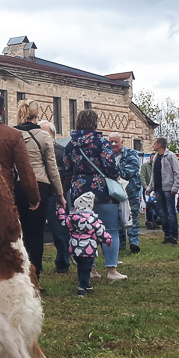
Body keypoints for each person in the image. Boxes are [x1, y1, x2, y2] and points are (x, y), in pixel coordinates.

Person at [63, 108, 126, 281]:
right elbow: (111, 167)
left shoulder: (70, 144)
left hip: (79, 190)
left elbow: (67, 169)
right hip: (102, 190)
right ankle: (112, 270)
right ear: (95, 123)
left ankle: (91, 269)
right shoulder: (102, 142)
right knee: (110, 228)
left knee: (84, 231)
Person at [6, 97, 50, 275]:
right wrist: (60, 193)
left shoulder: (12, 133)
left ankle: (20, 269)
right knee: (37, 232)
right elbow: (52, 167)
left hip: (17, 184)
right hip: (40, 184)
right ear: (36, 114)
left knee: (20, 229)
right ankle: (36, 272)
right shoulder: (44, 136)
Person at [56, 192, 113, 296]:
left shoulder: (71, 218)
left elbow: (62, 221)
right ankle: (82, 287)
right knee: (86, 268)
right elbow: (101, 233)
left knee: (80, 266)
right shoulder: (94, 220)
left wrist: (59, 209)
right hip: (88, 249)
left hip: (74, 248)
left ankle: (84, 283)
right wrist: (108, 240)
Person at [42, 120, 72, 273]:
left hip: (57, 197)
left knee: (59, 232)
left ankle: (63, 263)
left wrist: (62, 193)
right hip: (40, 196)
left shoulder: (62, 151)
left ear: (53, 135)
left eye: (45, 133)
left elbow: (68, 174)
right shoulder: (36, 151)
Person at [108, 132, 143, 254]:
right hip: (113, 192)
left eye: (116, 142)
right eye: (111, 142)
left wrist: (114, 173)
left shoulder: (131, 153)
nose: (113, 144)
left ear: (121, 142)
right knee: (116, 218)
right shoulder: (106, 155)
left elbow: (131, 169)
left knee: (132, 216)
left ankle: (134, 243)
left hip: (130, 191)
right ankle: (120, 244)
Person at [148, 137, 179, 244]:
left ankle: (174, 235)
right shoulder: (156, 157)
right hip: (158, 188)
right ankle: (166, 235)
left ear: (160, 145)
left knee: (171, 212)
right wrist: (150, 187)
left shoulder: (170, 156)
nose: (153, 145)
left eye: (154, 143)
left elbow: (177, 172)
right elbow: (153, 175)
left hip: (168, 189)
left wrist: (175, 187)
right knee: (162, 213)